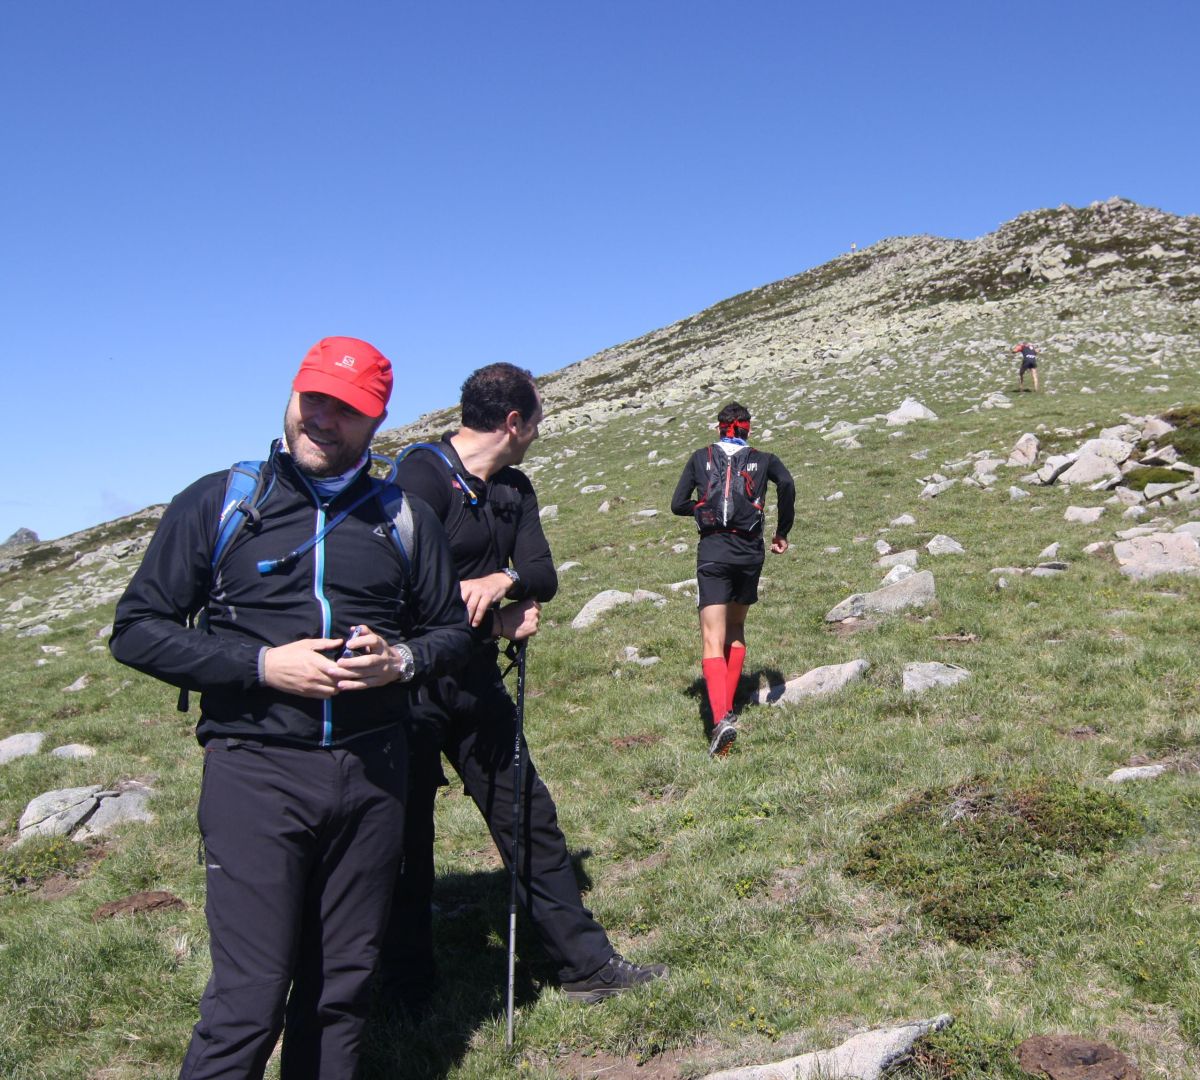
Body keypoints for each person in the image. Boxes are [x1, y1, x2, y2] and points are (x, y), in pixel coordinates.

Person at [111, 336, 474, 1079]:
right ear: (292, 394)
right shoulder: (220, 502)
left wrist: (400, 661)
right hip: (255, 772)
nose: (323, 419)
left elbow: (450, 633)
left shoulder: (404, 517)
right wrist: (261, 665)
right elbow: (137, 629)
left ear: (377, 422)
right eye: (313, 399)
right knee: (248, 1000)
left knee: (340, 991)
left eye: (347, 409)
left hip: (374, 775)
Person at [383, 362, 666, 1007]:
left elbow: (543, 572)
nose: (539, 431)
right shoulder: (418, 478)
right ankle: (406, 989)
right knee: (404, 839)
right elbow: (398, 598)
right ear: (514, 422)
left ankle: (586, 966)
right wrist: (488, 617)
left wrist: (503, 580)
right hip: (409, 688)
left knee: (528, 814)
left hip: (476, 680)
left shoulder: (513, 488)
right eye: (537, 420)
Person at [670, 402, 796, 756]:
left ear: (718, 427)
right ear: (748, 428)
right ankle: (728, 711)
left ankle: (720, 717)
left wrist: (701, 507)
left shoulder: (700, 457)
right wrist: (782, 531)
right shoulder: (765, 459)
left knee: (712, 637)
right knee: (736, 629)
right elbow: (787, 484)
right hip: (749, 552)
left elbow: (677, 504)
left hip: (713, 550)